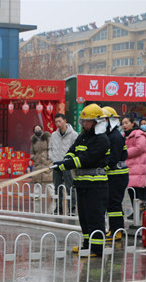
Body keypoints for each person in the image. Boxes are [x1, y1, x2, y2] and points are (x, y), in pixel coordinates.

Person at [53, 104, 109, 257]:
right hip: (83, 184)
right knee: (84, 217)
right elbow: (72, 151)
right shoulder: (83, 136)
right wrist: (63, 161)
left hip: (96, 185)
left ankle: (97, 250)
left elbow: (87, 159)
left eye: (87, 121)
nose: (84, 124)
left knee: (95, 218)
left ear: (96, 122)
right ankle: (87, 245)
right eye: (82, 121)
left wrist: (66, 164)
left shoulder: (102, 139)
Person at [102, 107, 128, 240]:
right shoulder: (109, 135)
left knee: (114, 203)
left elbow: (113, 158)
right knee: (112, 203)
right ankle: (114, 228)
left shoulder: (115, 136)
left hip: (117, 175)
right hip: (113, 175)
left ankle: (116, 231)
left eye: (104, 120)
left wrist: (101, 167)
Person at [49, 113, 78, 215]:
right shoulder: (53, 135)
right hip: (56, 165)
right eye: (56, 122)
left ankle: (72, 208)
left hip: (68, 165)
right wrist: (53, 159)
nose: (58, 123)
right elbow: (50, 149)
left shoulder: (74, 135)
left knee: (70, 187)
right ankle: (58, 208)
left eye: (60, 121)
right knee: (57, 187)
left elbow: (76, 151)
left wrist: (68, 161)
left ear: (65, 121)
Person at [123, 116, 146, 210]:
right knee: (131, 191)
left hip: (137, 167)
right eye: (123, 123)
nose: (124, 125)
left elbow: (140, 148)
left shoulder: (139, 134)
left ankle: (139, 214)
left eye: (126, 123)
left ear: (132, 123)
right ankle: (135, 212)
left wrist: (124, 153)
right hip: (129, 167)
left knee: (137, 192)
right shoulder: (124, 135)